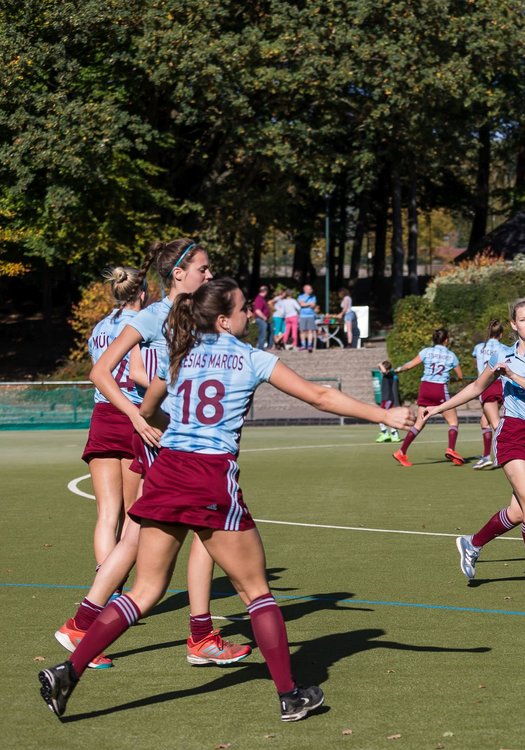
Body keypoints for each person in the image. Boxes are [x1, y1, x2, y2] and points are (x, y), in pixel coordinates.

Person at [39, 278, 416, 721]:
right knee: (256, 591)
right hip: (209, 475)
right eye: (244, 309)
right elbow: (320, 396)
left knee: (143, 590)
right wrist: (385, 413)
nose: (252, 314)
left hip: (168, 470)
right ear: (224, 319)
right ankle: (289, 695)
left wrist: (179, 423)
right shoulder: (250, 358)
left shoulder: (178, 356)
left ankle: (69, 670)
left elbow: (147, 411)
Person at [77, 237, 249, 668]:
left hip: (188, 440)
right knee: (151, 537)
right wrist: (137, 417)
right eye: (202, 269)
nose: (208, 275)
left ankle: (194, 634)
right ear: (178, 274)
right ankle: (87, 628)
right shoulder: (155, 314)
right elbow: (104, 372)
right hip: (165, 442)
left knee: (159, 535)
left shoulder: (194, 315)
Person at [427, 297, 525, 593]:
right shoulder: (502, 356)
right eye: (523, 319)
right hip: (513, 433)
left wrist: (513, 375)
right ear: (514, 325)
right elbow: (477, 387)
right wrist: (439, 407)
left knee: (520, 512)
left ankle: (472, 543)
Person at [82, 267, 149, 576]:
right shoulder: (145, 326)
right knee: (132, 515)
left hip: (102, 415)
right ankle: (114, 590)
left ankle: (103, 589)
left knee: (106, 515)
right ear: (144, 293)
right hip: (133, 415)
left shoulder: (99, 328)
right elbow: (142, 375)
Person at [393, 328, 465, 466]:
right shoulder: (451, 355)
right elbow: (460, 376)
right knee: (453, 422)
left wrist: (399, 369)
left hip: (425, 388)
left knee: (419, 424)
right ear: (446, 340)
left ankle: (401, 452)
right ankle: (451, 449)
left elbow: (409, 366)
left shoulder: (426, 351)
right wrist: (454, 378)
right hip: (439, 389)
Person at [470, 319, 505, 470]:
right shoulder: (504, 348)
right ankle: (486, 456)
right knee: (484, 422)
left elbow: (476, 363)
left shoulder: (479, 347)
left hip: (487, 386)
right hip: (501, 385)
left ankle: (506, 454)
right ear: (501, 334)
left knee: (496, 423)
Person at [375, 359, 402, 443]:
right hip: (387, 399)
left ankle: (385, 433)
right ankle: (394, 434)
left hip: (387, 399)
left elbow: (384, 371)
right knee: (388, 416)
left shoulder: (388, 374)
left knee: (380, 416)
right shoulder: (390, 374)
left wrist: (379, 364)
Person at [297, 283, 318, 351]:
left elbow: (313, 305)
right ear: (305, 289)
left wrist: (305, 304)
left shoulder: (313, 297)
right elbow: (301, 305)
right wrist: (309, 304)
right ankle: (303, 345)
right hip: (302, 316)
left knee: (310, 330)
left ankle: (309, 345)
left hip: (311, 315)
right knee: (302, 331)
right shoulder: (300, 296)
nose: (311, 290)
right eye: (310, 289)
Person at [252, 284, 271, 350]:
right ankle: (260, 348)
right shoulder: (259, 299)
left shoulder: (261, 299)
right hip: (260, 319)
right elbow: (257, 310)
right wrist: (264, 317)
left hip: (261, 319)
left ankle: (261, 347)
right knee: (262, 334)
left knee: (262, 334)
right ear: (265, 291)